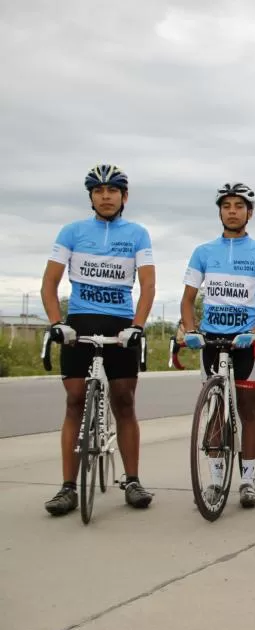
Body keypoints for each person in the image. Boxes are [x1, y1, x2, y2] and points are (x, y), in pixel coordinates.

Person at [40, 164, 156, 515]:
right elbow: (49, 284)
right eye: (99, 191)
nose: (106, 197)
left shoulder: (137, 234)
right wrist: (57, 323)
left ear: (124, 196)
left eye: (113, 191)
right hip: (80, 322)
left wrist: (137, 325)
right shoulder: (72, 231)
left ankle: (132, 480)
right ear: (91, 197)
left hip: (120, 324)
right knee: (75, 400)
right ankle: (67, 488)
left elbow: (148, 285)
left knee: (124, 401)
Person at [180, 182, 255, 508]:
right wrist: (191, 330)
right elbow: (188, 299)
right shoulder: (203, 252)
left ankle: (248, 479)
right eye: (227, 206)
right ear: (220, 211)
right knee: (216, 410)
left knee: (248, 411)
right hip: (211, 339)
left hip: (243, 341)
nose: (233, 211)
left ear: (249, 212)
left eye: (239, 206)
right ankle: (215, 478)